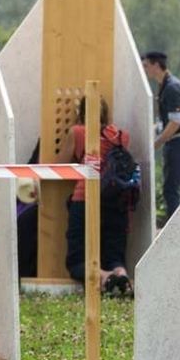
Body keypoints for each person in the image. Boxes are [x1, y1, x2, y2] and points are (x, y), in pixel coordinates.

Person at [58, 96, 133, 295]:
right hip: (116, 201)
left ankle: (105, 278)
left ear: (81, 112)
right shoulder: (120, 136)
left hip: (85, 199)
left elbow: (60, 166)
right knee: (114, 255)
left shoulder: (78, 132)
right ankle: (121, 275)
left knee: (76, 260)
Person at [141, 51, 180, 224]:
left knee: (171, 188)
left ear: (156, 65)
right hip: (175, 142)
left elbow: (176, 121)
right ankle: (176, 227)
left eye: (146, 65)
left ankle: (176, 229)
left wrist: (155, 143)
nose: (145, 70)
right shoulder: (165, 85)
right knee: (169, 188)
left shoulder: (172, 87)